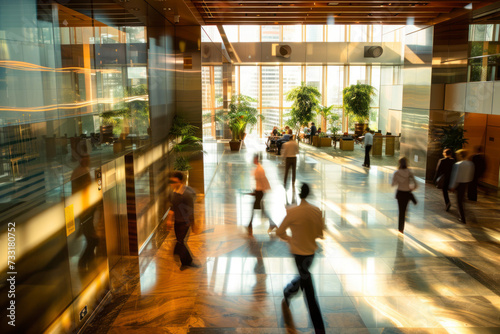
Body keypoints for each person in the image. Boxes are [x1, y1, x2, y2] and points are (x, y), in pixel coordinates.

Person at [276, 183, 325, 334]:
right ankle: (319, 329)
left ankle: (288, 291)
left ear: (299, 194)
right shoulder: (316, 211)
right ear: (309, 193)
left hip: (298, 254)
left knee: (305, 280)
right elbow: (319, 233)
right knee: (308, 286)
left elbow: (279, 231)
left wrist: (290, 239)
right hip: (311, 254)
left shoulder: (293, 212)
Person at [169, 171, 198, 270]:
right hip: (177, 221)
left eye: (174, 181)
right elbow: (173, 207)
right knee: (180, 241)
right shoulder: (174, 193)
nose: (172, 184)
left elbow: (190, 210)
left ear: (180, 181)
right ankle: (185, 262)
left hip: (185, 223)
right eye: (171, 181)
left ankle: (187, 261)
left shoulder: (186, 194)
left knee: (180, 242)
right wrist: (169, 220)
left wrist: (193, 224)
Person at [248, 154, 277, 235]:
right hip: (258, 191)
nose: (253, 160)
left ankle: (250, 225)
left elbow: (263, 181)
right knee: (261, 210)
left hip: (260, 192)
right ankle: (271, 224)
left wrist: (260, 191)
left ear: (257, 159)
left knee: (256, 209)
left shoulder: (260, 169)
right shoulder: (258, 168)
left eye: (254, 158)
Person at [392, 157, 418, 234]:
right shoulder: (409, 172)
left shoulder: (397, 172)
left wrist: (399, 181)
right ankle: (404, 219)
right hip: (407, 193)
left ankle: (400, 228)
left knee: (401, 211)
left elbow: (394, 184)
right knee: (404, 209)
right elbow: (415, 184)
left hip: (400, 193)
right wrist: (411, 188)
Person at [450, 149, 474, 224]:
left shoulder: (458, 164)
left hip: (459, 184)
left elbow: (455, 176)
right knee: (462, 199)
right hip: (466, 183)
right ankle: (463, 213)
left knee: (459, 201)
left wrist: (452, 186)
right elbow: (471, 175)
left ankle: (462, 217)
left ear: (460, 155)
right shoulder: (470, 164)